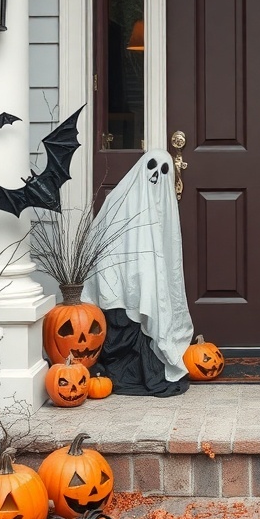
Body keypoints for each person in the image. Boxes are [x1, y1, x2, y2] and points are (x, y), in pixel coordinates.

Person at [82, 150, 193, 395]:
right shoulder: (120, 201)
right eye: (152, 166)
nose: (156, 175)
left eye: (165, 171)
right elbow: (101, 245)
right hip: (119, 294)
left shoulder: (164, 209)